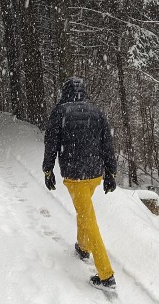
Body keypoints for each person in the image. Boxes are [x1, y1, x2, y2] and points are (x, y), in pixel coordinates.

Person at [42, 76, 117, 290]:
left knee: (88, 218)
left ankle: (106, 275)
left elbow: (51, 144)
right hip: (95, 175)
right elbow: (107, 144)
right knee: (84, 210)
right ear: (83, 92)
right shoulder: (97, 112)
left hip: (75, 176)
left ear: (65, 92)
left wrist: (48, 170)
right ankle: (83, 247)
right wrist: (111, 171)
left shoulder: (60, 112)